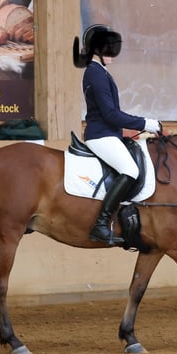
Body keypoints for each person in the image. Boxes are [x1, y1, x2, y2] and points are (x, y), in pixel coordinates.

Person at [73, 24, 162, 245]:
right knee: (130, 170)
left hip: (108, 133)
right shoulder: (95, 73)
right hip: (100, 135)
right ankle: (101, 224)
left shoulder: (100, 72)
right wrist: (146, 123)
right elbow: (111, 114)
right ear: (97, 49)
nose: (112, 53)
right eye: (108, 48)